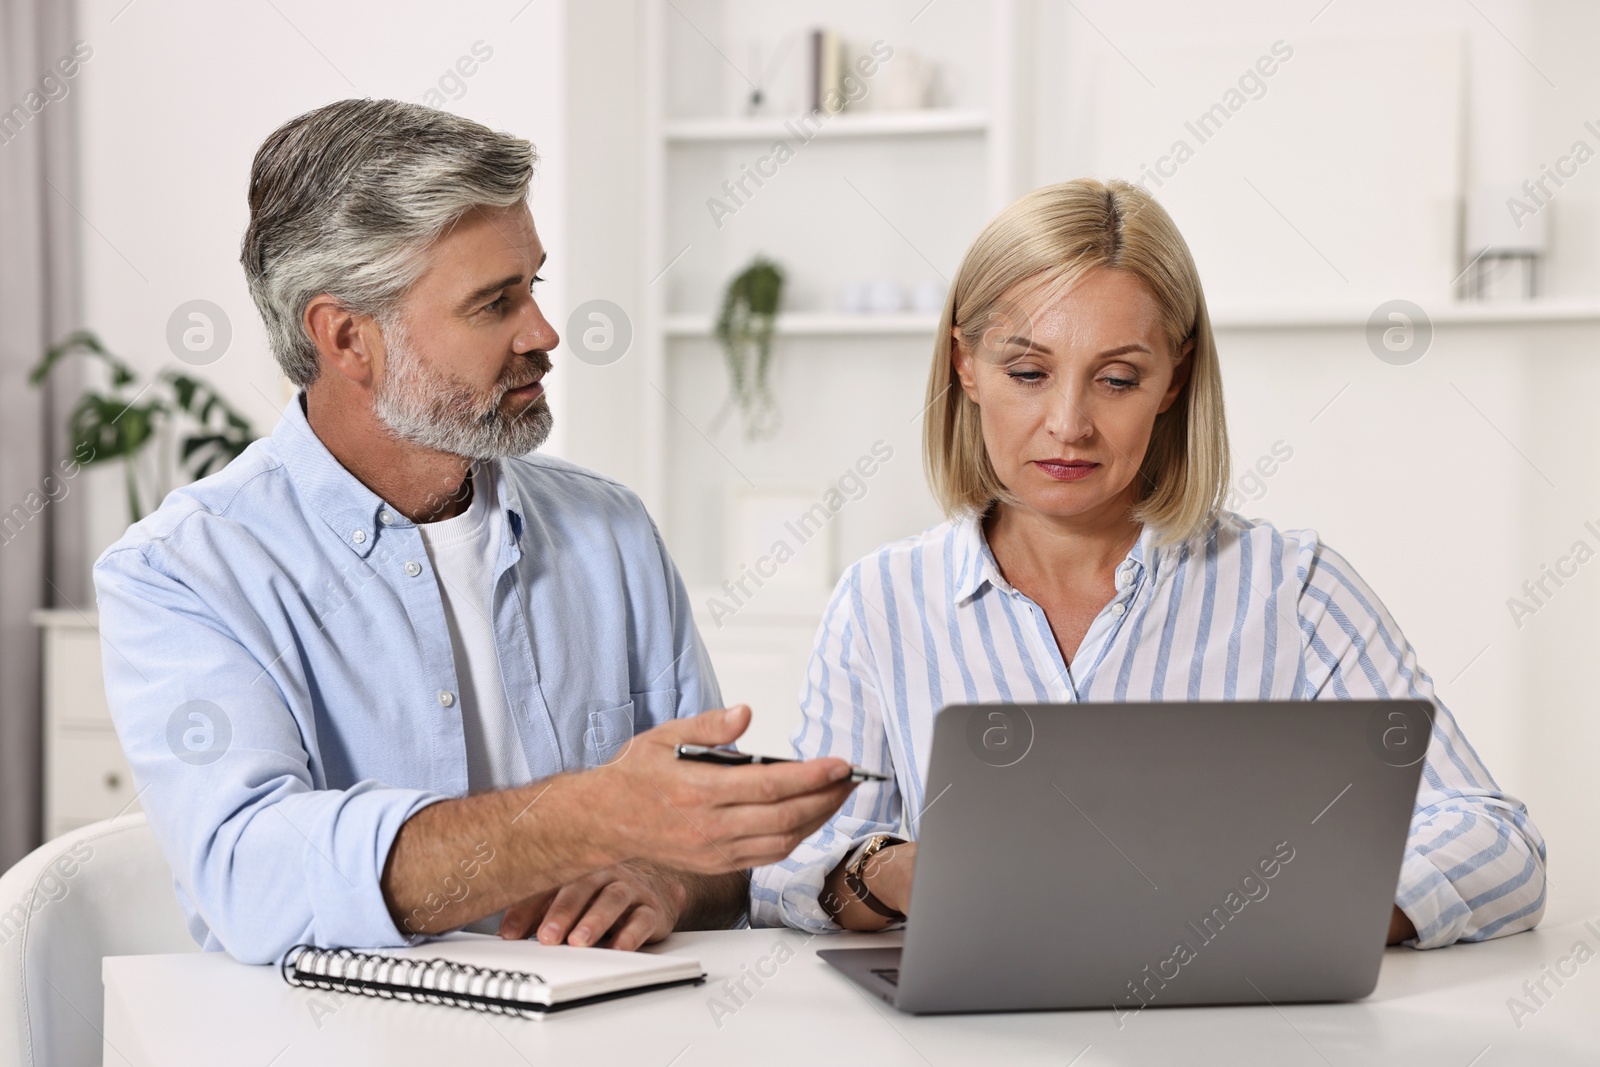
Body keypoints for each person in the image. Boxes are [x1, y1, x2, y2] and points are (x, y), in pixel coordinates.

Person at [93, 99, 858, 966]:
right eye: (495, 303)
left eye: (533, 285)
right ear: (348, 337)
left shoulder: (610, 532)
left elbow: (718, 852)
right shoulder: (184, 572)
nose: (543, 332)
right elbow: (253, 875)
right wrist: (587, 815)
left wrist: (671, 878)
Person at [750, 178, 1547, 950]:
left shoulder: (1292, 588)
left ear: (1174, 380)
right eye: (1027, 373)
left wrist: (1295, 913)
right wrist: (887, 872)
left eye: (1118, 378)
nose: (1068, 424)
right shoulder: (883, 600)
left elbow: (1497, 842)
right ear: (965, 366)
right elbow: (789, 868)